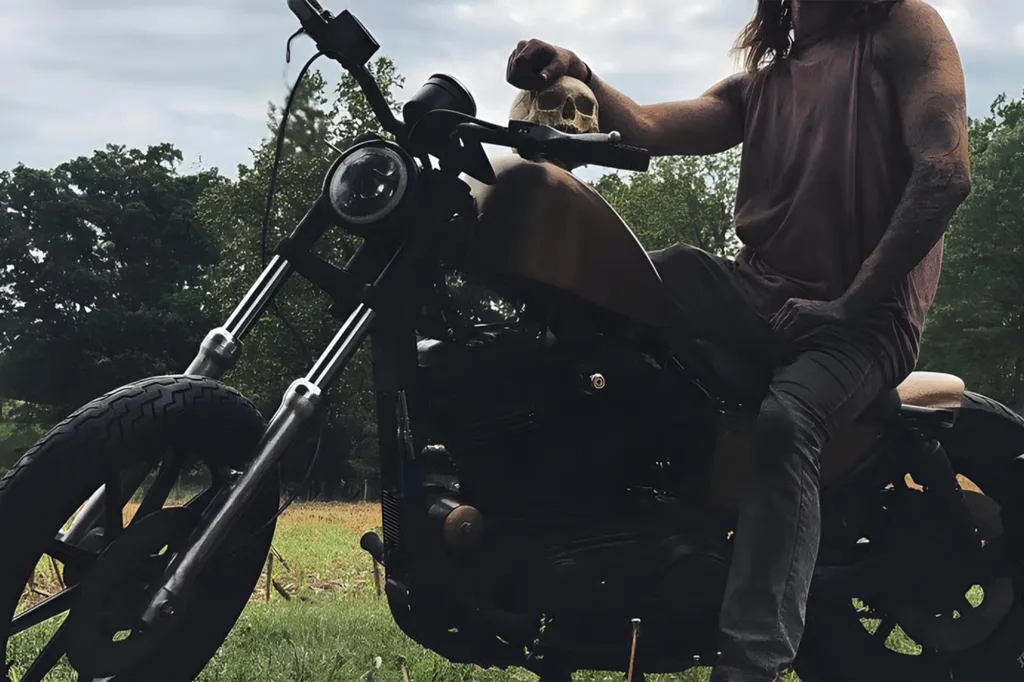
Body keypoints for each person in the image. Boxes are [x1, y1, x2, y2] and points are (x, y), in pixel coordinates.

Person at [504, 0, 971, 679]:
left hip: (867, 322)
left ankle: (751, 661)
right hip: (760, 297)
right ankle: (587, 546)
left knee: (789, 422)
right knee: (622, 285)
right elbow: (645, 124)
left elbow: (945, 173)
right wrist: (576, 70)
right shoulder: (764, 82)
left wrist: (848, 304)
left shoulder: (900, 29)